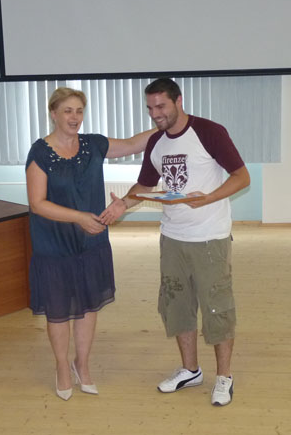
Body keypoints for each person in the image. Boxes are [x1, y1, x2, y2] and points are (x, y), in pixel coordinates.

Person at [100, 78, 250, 406]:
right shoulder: (156, 142)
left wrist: (208, 197)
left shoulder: (209, 132)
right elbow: (144, 185)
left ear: (178, 101)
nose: (156, 114)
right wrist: (124, 203)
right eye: (150, 108)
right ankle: (190, 370)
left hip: (209, 237)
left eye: (161, 106)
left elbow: (242, 176)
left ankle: (224, 376)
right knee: (177, 306)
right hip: (172, 238)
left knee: (217, 307)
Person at [25, 87, 155, 401]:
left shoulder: (93, 145)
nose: (75, 117)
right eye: (68, 111)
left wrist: (169, 122)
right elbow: (37, 204)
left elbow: (133, 143)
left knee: (87, 306)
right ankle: (62, 367)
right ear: (53, 114)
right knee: (59, 309)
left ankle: (81, 364)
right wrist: (79, 217)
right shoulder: (40, 152)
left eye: (79, 111)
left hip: (91, 242)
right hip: (54, 244)